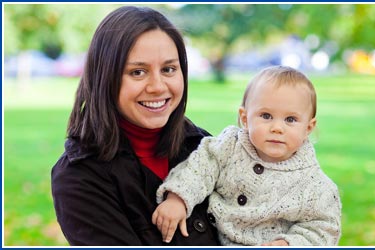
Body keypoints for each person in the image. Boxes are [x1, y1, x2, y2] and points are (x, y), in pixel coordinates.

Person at [51, 6, 220, 246]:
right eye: (138, 72)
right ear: (105, 77)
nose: (157, 86)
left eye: (169, 69)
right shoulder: (79, 177)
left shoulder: (205, 147)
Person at [152, 65, 342, 246]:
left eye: (290, 119)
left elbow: (324, 228)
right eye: (266, 116)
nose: (277, 128)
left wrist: (290, 243)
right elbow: (200, 168)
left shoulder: (314, 185)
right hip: (209, 237)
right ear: (245, 118)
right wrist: (178, 198)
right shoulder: (229, 147)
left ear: (308, 128)